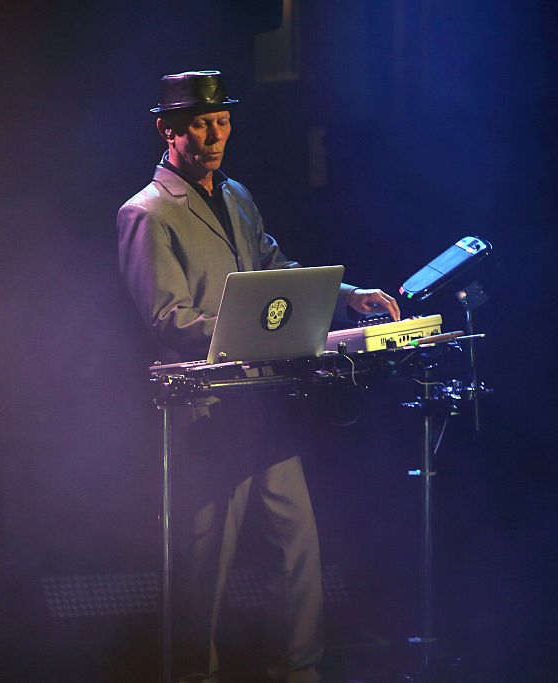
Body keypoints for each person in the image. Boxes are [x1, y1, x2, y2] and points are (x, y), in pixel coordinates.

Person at [117, 71, 399, 683]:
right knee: (203, 567)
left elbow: (276, 269)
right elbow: (167, 319)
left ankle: (298, 674)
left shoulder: (238, 195)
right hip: (205, 410)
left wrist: (346, 297)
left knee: (295, 547)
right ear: (168, 130)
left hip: (260, 404)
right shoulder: (146, 213)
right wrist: (248, 330)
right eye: (200, 125)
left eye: (222, 122)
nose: (215, 135)